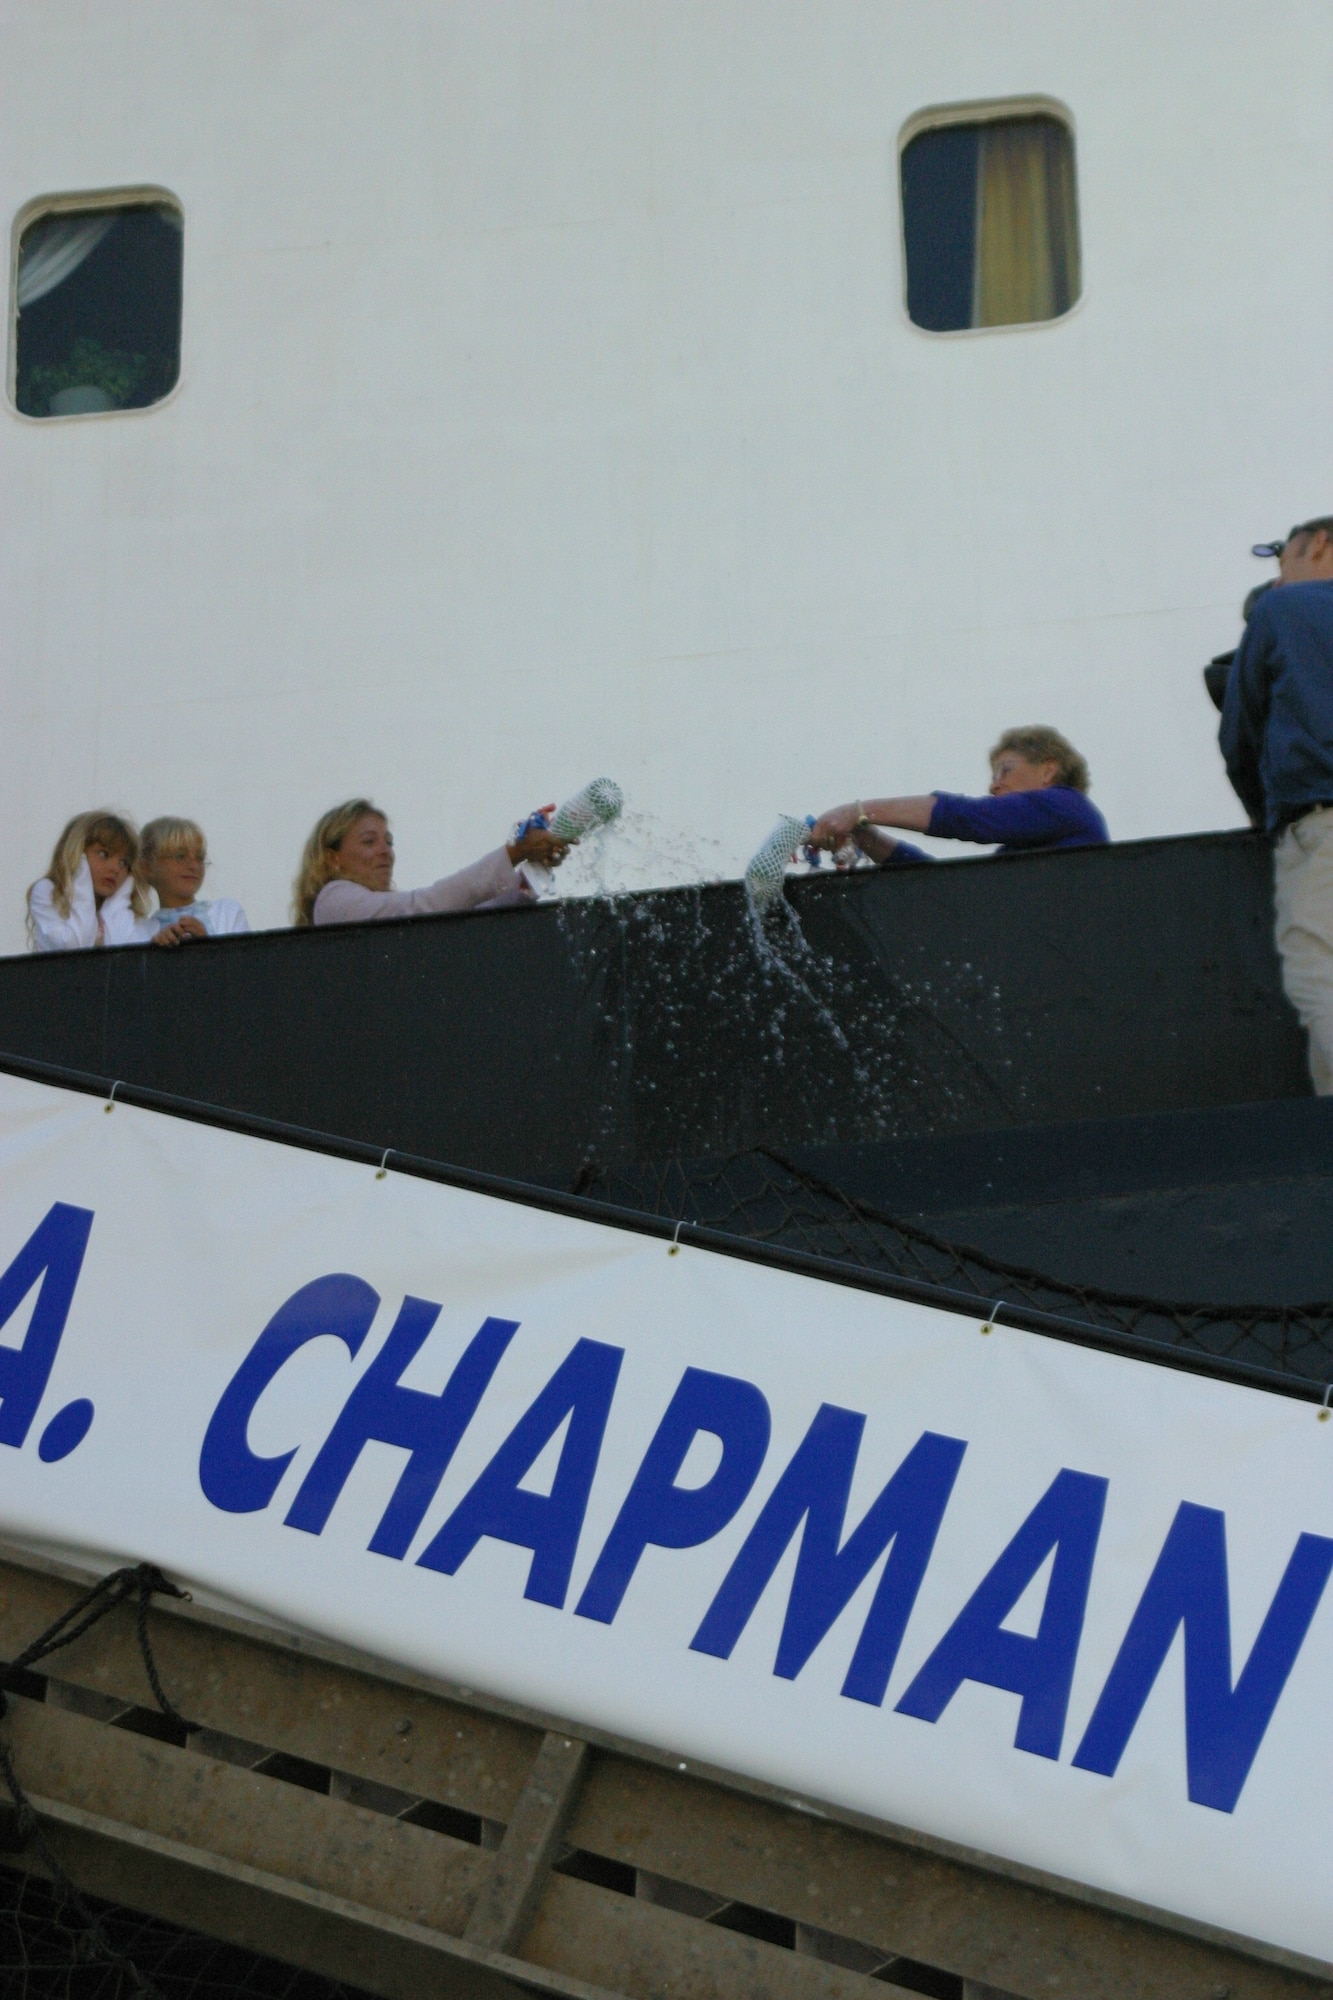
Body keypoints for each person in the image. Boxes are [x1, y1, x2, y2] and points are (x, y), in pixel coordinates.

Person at [1220, 515, 1333, 1093]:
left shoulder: (1282, 609)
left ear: (1317, 543)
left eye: (1283, 556)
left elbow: (1241, 731)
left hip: (1322, 824)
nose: (1279, 572)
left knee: (1322, 971)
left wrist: (1265, 814)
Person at [809, 726, 1107, 865]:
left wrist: (857, 811)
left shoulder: (1068, 805)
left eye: (1006, 771)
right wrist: (866, 837)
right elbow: (943, 890)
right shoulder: (1019, 854)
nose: (994, 786)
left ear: (1047, 771)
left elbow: (965, 817)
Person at [293, 798, 570, 927]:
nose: (385, 851)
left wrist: (527, 875)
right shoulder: (334, 899)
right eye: (369, 842)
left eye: (388, 842)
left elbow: (456, 917)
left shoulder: (379, 910)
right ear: (333, 858)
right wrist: (514, 852)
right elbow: (428, 906)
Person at [27, 810, 149, 952]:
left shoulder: (125, 913)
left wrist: (117, 905)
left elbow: (124, 959)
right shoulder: (48, 891)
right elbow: (74, 948)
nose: (116, 869)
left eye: (124, 863)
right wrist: (81, 881)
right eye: (104, 854)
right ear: (78, 854)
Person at [137, 817, 250, 946]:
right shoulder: (140, 934)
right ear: (148, 867)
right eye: (180, 856)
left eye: (199, 858)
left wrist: (207, 946)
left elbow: (244, 963)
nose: (194, 866)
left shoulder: (227, 913)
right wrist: (156, 954)